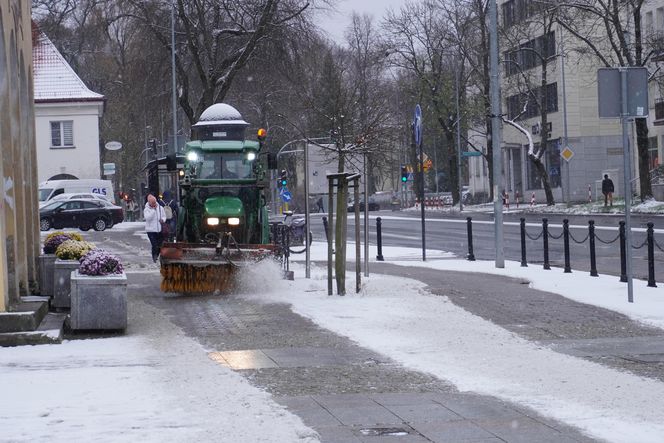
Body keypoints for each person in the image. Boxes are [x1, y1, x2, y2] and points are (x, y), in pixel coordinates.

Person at [144, 194, 166, 262]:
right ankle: (154, 256)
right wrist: (153, 211)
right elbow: (147, 218)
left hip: (159, 230)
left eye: (155, 202)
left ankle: (157, 255)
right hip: (150, 230)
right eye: (152, 203)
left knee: (160, 244)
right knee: (154, 244)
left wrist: (162, 220)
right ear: (149, 202)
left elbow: (164, 216)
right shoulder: (146, 209)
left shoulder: (160, 208)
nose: (154, 204)